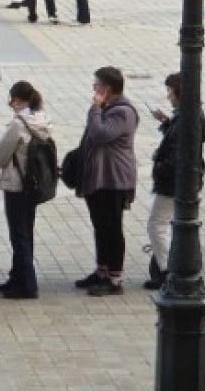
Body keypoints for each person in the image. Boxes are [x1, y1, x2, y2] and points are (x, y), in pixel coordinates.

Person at [74, 66, 139, 296]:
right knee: (100, 226)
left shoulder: (123, 112)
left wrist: (94, 108)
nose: (93, 88)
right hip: (99, 178)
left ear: (107, 88)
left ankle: (114, 278)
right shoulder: (108, 107)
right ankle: (101, 271)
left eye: (97, 85)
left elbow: (100, 134)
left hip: (114, 180)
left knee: (112, 228)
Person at [143, 73, 205, 290]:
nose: (168, 96)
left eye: (170, 91)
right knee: (165, 223)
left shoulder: (189, 117)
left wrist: (160, 165)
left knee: (157, 225)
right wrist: (167, 122)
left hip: (174, 181)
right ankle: (165, 267)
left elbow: (181, 149)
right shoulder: (187, 115)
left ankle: (167, 269)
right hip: (179, 180)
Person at [0, 81, 50, 299]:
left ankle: (27, 284)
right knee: (26, 231)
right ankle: (18, 276)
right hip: (33, 183)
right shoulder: (42, 119)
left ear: (16, 100)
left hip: (16, 183)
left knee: (19, 235)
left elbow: (0, 155)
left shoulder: (19, 124)